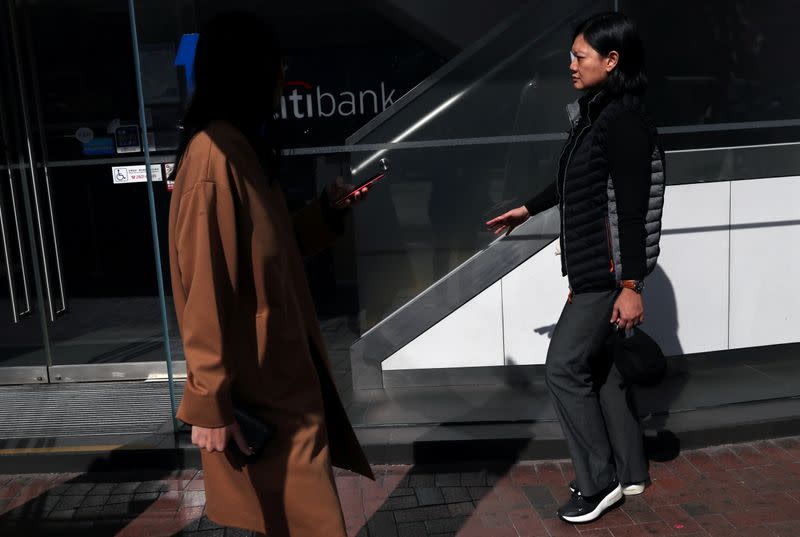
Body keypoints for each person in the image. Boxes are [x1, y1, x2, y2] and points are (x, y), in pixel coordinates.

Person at [167, 12, 373, 537]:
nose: (283, 78)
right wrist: (208, 401)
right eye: (275, 65)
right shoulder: (215, 154)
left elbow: (271, 249)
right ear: (246, 69)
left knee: (295, 517)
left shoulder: (239, 146)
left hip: (281, 371)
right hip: (262, 381)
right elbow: (206, 285)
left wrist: (328, 212)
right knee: (311, 519)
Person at [486, 12, 665, 524]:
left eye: (580, 56)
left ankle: (598, 479)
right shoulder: (597, 113)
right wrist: (528, 208)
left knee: (562, 369)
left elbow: (630, 209)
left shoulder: (623, 120)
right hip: (595, 269)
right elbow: (577, 182)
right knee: (599, 369)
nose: (571, 64)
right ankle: (630, 472)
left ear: (612, 61)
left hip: (607, 272)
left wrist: (630, 285)